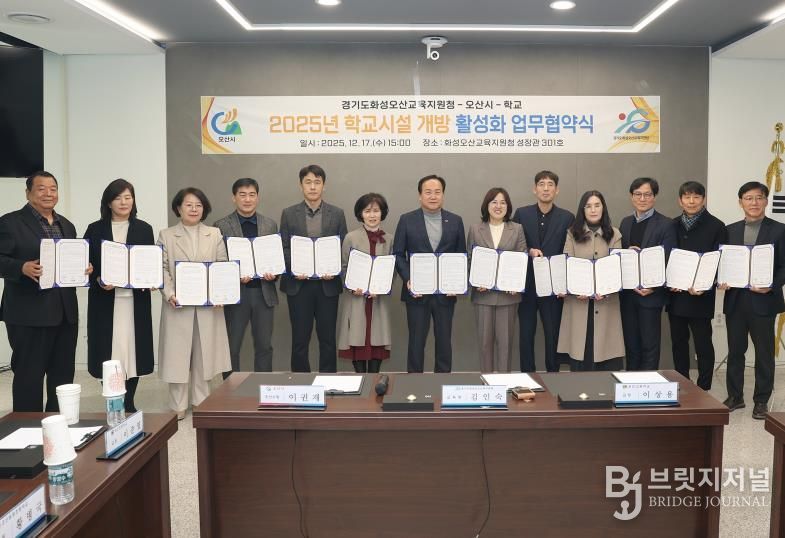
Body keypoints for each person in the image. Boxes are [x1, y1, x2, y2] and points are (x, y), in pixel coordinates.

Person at [0, 171, 90, 412]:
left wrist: (84, 268)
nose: (48, 193)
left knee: (63, 376)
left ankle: (59, 423)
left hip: (65, 314)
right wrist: (21, 267)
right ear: (28, 193)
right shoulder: (10, 223)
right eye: (41, 188)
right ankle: (26, 427)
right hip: (29, 315)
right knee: (29, 376)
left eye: (53, 188)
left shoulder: (66, 225)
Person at [158, 188, 231, 420]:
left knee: (204, 354)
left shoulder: (214, 234)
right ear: (178, 208)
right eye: (188, 205)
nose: (193, 209)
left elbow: (222, 266)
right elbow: (161, 268)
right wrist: (170, 293)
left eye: (198, 205)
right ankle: (177, 404)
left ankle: (201, 400)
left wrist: (220, 294)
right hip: (178, 305)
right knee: (177, 355)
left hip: (208, 307)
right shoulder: (166, 235)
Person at [85, 179, 155, 413]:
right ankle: (114, 401)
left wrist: (151, 279)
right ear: (108, 202)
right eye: (118, 198)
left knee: (133, 352)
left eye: (128, 197)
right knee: (107, 351)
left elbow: (148, 263)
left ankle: (129, 401)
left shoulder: (144, 228)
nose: (124, 202)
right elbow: (87, 266)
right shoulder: (95, 229)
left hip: (134, 302)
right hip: (105, 302)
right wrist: (97, 279)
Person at [720, 181, 785, 420]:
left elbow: (783, 266)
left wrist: (771, 285)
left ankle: (761, 401)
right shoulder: (729, 230)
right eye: (748, 198)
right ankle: (735, 396)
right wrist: (721, 279)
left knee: (764, 353)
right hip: (736, 300)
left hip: (764, 300)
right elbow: (722, 262)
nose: (754, 202)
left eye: (759, 197)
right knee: (735, 351)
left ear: (766, 201)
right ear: (741, 202)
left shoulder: (780, 230)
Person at [393, 174, 466, 373]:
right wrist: (408, 279)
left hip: (445, 294)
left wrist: (457, 283)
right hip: (417, 293)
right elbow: (398, 254)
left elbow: (461, 256)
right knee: (416, 343)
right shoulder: (407, 220)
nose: (433, 196)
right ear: (420, 195)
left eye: (437, 192)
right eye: (428, 192)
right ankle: (414, 384)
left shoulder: (455, 221)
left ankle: (442, 382)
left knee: (444, 342)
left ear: (443, 195)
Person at [280, 165, 348, 373]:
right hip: (298, 285)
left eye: (317, 182)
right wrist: (294, 268)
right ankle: (301, 381)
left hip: (327, 285)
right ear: (300, 186)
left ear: (323, 186)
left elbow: (343, 247)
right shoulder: (289, 213)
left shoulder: (337, 214)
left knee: (327, 339)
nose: (312, 187)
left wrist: (334, 269)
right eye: (308, 182)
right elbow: (284, 247)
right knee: (300, 339)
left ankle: (329, 381)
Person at [214, 177, 279, 375]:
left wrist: (274, 274)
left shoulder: (270, 224)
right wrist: (233, 276)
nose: (247, 199)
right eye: (242, 195)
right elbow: (219, 263)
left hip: (264, 293)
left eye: (252, 195)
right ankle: (230, 388)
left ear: (258, 197)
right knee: (231, 346)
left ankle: (263, 386)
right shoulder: (221, 225)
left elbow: (275, 258)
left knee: (264, 346)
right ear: (234, 198)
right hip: (236, 295)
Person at [667, 181, 727, 390]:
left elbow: (720, 260)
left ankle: (704, 387)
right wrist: (669, 281)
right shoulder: (672, 224)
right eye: (687, 197)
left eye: (696, 197)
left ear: (704, 199)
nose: (691, 201)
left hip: (701, 295)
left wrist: (704, 284)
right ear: (680, 200)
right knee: (678, 342)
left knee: (703, 343)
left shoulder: (717, 226)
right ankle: (682, 383)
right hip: (676, 295)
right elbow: (666, 257)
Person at [512, 170, 574, 372]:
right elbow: (513, 246)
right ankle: (527, 377)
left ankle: (553, 377)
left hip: (554, 289)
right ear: (534, 189)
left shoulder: (567, 217)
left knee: (553, 336)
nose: (546, 188)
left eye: (550, 184)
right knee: (526, 336)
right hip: (527, 286)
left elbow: (570, 252)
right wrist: (528, 251)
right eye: (541, 184)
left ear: (557, 190)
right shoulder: (521, 214)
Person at [557, 191, 625, 371]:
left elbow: (617, 267)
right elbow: (566, 264)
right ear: (583, 210)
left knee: (604, 354)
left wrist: (607, 290)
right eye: (588, 206)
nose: (593, 210)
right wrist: (575, 289)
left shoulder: (615, 234)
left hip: (606, 302)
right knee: (581, 352)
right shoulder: (572, 233)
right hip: (578, 302)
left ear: (603, 208)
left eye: (597, 205)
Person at [618, 177, 677, 371]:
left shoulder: (666, 224)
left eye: (647, 194)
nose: (642, 199)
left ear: (654, 197)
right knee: (631, 345)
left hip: (651, 295)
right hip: (629, 295)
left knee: (649, 346)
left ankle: (648, 383)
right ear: (631, 196)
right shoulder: (625, 222)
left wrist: (653, 287)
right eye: (638, 194)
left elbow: (669, 259)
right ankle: (631, 383)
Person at [466, 188, 526, 372]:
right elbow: (469, 259)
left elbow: (522, 258)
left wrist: (516, 283)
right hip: (483, 296)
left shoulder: (517, 229)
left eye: (503, 202)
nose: (498, 206)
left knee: (505, 345)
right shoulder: (475, 229)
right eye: (494, 202)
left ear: (508, 207)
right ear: (487, 205)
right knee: (484, 345)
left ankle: (504, 383)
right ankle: (487, 383)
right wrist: (475, 281)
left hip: (508, 297)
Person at [337, 193, 393, 373]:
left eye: (376, 211)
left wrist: (382, 287)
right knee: (356, 335)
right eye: (367, 211)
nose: (372, 215)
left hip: (378, 299)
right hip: (356, 298)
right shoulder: (351, 237)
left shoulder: (389, 239)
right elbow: (343, 266)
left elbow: (391, 269)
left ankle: (374, 380)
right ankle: (360, 379)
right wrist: (352, 286)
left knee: (377, 337)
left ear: (382, 213)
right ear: (361, 214)